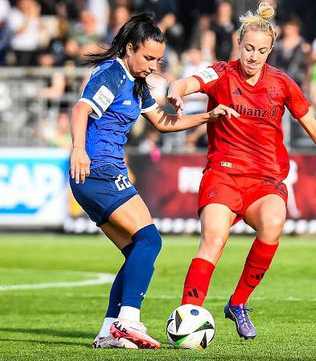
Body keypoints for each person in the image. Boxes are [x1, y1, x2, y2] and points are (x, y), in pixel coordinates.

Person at [167, 3, 316, 340]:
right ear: (238, 43)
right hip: (223, 174)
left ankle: (238, 304)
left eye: (261, 51)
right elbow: (186, 82)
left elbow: (312, 124)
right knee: (214, 239)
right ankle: (188, 313)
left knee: (274, 223)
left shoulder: (282, 83)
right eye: (248, 48)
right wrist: (176, 91)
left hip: (265, 180)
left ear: (270, 50)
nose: (253, 56)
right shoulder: (220, 73)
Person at [69, 13, 239, 349]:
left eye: (158, 59)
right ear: (129, 48)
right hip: (98, 169)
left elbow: (162, 121)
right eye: (147, 57)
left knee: (136, 250)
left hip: (97, 174)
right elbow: (80, 110)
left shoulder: (135, 82)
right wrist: (78, 149)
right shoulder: (113, 74)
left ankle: (109, 331)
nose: (152, 65)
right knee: (150, 241)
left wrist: (207, 115)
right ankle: (128, 320)